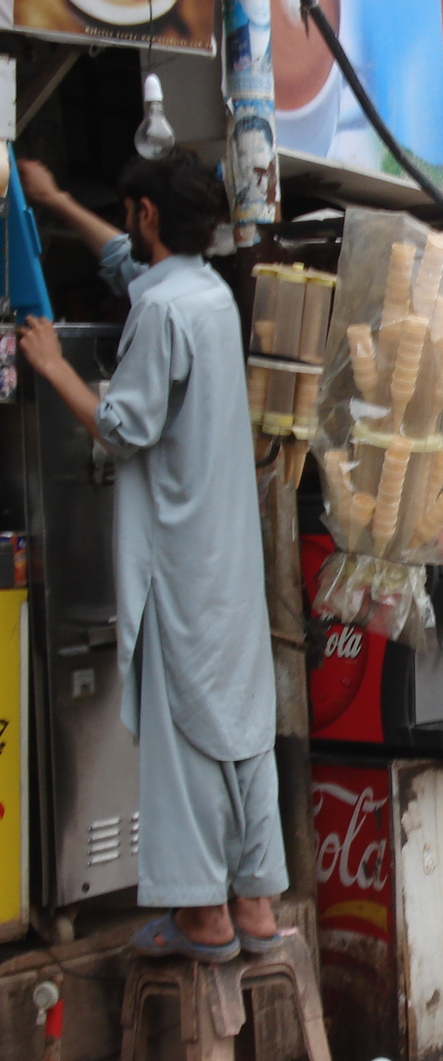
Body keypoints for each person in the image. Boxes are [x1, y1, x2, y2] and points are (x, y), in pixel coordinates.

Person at [16, 155, 282, 963]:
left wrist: (53, 363)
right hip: (228, 559)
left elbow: (124, 427)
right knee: (238, 724)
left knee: (188, 731)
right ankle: (255, 903)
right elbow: (132, 268)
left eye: (133, 213)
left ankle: (202, 918)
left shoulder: (166, 312)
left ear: (148, 215)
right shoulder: (207, 294)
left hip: (179, 560)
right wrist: (58, 199)